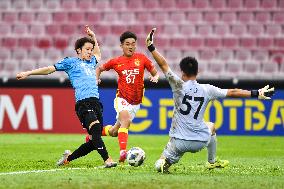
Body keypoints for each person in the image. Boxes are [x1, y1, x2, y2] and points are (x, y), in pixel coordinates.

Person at [145, 28, 275, 173]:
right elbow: (233, 92)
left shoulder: (178, 85)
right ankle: (211, 161)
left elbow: (163, 65)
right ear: (198, 72)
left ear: (182, 72)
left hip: (179, 141)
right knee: (211, 125)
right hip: (200, 140)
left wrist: (151, 47)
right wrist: (256, 93)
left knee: (160, 163)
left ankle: (164, 163)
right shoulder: (207, 89)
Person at [16, 25, 117, 168]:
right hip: (83, 103)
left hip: (96, 103)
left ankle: (67, 159)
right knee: (95, 131)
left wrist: (93, 37)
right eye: (87, 49)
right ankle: (107, 160)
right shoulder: (71, 62)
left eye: (91, 49)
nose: (90, 52)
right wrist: (28, 73)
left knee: (95, 141)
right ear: (78, 50)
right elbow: (49, 69)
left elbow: (98, 54)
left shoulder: (91, 62)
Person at [86, 31, 160, 163]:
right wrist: (96, 79)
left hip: (136, 103)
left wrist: (155, 77)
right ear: (122, 46)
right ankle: (123, 152)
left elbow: (156, 73)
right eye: (127, 44)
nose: (130, 46)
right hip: (122, 98)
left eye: (133, 44)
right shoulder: (116, 61)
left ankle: (93, 135)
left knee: (115, 131)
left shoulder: (142, 59)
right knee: (126, 120)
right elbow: (99, 69)